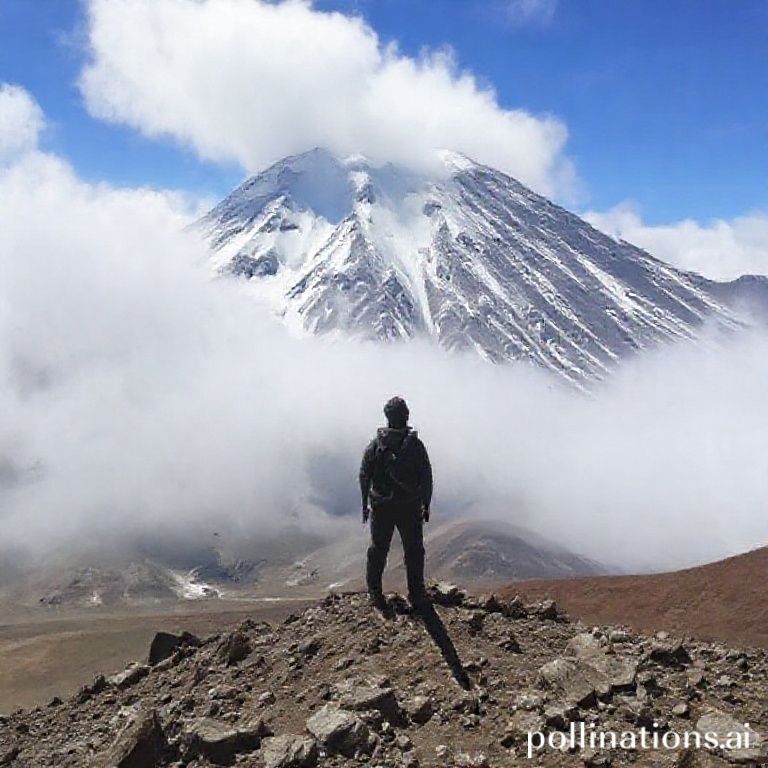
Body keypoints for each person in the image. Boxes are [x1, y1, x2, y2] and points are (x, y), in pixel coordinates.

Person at [359, 396, 433, 611]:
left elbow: (365, 475)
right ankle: (417, 594)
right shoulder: (415, 445)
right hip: (409, 507)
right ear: (405, 416)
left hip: (382, 507)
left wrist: (365, 504)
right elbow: (426, 475)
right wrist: (425, 503)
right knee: (414, 551)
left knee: (379, 550)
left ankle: (375, 592)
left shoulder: (375, 445)